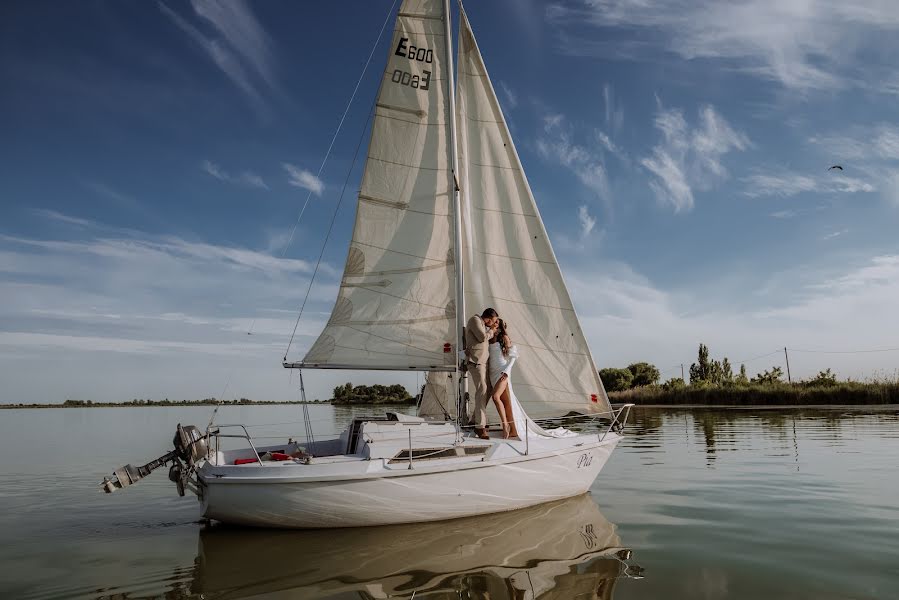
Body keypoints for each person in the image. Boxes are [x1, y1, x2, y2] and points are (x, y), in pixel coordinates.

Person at [464, 308, 499, 439]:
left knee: (488, 389)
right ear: (489, 318)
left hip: (484, 362)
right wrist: (492, 331)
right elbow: (482, 337)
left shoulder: (485, 326)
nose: (493, 324)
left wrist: (493, 330)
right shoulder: (475, 320)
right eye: (493, 321)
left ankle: (474, 420)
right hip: (475, 361)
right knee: (482, 389)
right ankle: (480, 427)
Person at [488, 319, 520, 439]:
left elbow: (513, 357)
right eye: (493, 323)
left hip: (503, 371)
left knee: (495, 397)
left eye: (496, 324)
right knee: (506, 403)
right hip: (492, 372)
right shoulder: (489, 337)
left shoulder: (504, 337)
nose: (493, 325)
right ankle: (513, 430)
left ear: (500, 326)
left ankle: (505, 425)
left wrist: (506, 371)